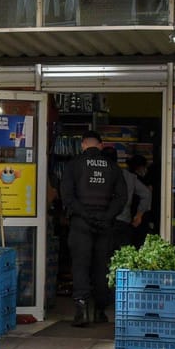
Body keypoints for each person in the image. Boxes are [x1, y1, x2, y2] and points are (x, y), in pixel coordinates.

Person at [63, 133, 126, 326]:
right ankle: (100, 310)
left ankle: (81, 307)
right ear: (101, 145)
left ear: (83, 145)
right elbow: (121, 197)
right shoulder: (113, 167)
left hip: (81, 223)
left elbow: (67, 195)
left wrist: (84, 214)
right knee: (102, 266)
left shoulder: (74, 165)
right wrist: (107, 216)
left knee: (80, 265)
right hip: (105, 224)